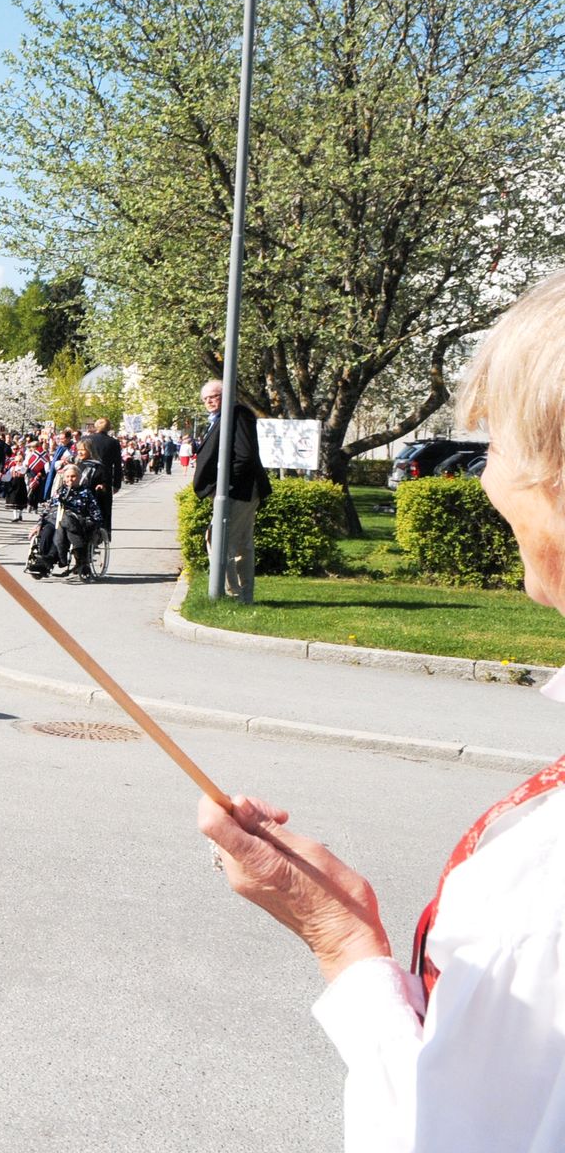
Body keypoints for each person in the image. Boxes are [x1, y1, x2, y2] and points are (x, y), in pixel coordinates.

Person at [198, 273, 565, 1150]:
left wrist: (340, 942)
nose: (485, 485)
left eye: (500, 450)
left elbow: (442, 1134)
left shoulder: (541, 903)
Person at [191, 378, 271, 603]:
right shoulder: (223, 417)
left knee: (218, 539)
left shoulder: (237, 414)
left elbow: (244, 455)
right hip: (239, 489)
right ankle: (244, 596)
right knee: (241, 544)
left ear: (226, 395)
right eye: (205, 399)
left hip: (239, 489)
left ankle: (233, 594)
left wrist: (221, 486)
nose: (209, 402)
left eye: (214, 397)